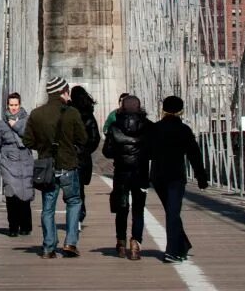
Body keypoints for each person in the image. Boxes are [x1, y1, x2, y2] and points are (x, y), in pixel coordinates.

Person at [24, 75, 87, 258]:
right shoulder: (72, 112)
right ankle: (70, 243)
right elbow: (83, 139)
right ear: (63, 92)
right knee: (74, 202)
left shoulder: (36, 114)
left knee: (48, 207)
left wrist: (43, 147)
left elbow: (27, 140)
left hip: (47, 168)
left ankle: (48, 247)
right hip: (68, 165)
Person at [147, 94, 208, 263]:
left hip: (158, 177)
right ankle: (173, 251)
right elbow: (194, 155)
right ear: (181, 111)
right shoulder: (184, 130)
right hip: (175, 177)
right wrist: (201, 177)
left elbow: (147, 153)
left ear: (163, 110)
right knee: (173, 213)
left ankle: (182, 245)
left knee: (171, 212)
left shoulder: (154, 129)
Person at [102, 93, 152, 259]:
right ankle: (136, 243)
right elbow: (153, 151)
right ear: (139, 108)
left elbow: (107, 151)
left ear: (122, 107)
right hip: (141, 173)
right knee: (138, 210)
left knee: (122, 209)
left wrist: (119, 152)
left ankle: (121, 243)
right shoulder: (148, 126)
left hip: (121, 173)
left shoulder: (115, 126)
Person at [0, 90, 36, 236]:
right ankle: (13, 227)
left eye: (16, 105)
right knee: (11, 195)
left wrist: (16, 125)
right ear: (7, 105)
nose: (13, 107)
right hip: (8, 162)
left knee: (25, 195)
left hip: (25, 161)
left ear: (20, 105)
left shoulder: (28, 122)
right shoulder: (1, 125)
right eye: (11, 105)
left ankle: (26, 226)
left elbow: (32, 138)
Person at [69, 85, 101, 188]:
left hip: (68, 156)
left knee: (71, 193)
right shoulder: (88, 115)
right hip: (83, 158)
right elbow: (95, 138)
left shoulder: (67, 112)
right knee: (79, 192)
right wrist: (85, 150)